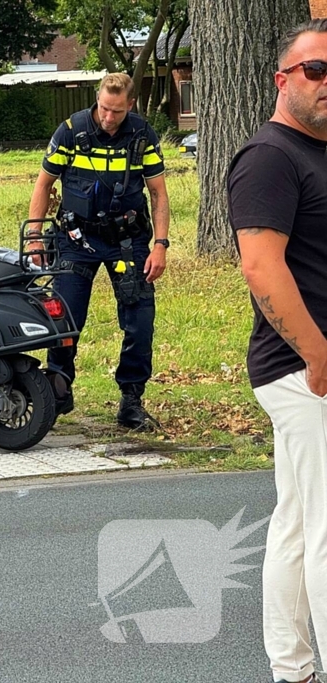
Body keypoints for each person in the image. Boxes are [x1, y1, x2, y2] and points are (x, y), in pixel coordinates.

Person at [227, 19, 327, 683]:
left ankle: (291, 668)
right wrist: (320, 357)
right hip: (303, 368)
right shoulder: (269, 156)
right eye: (315, 71)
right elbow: (262, 268)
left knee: (298, 523)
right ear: (282, 78)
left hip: (309, 367)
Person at [26, 73, 171, 430]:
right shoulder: (70, 132)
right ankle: (58, 389)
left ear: (130, 106)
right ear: (97, 100)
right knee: (64, 320)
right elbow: (44, 184)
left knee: (140, 322)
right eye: (105, 109)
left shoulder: (142, 135)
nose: (108, 118)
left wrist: (160, 246)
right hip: (75, 241)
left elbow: (159, 195)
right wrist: (34, 236)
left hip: (128, 242)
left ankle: (132, 399)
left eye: (117, 112)